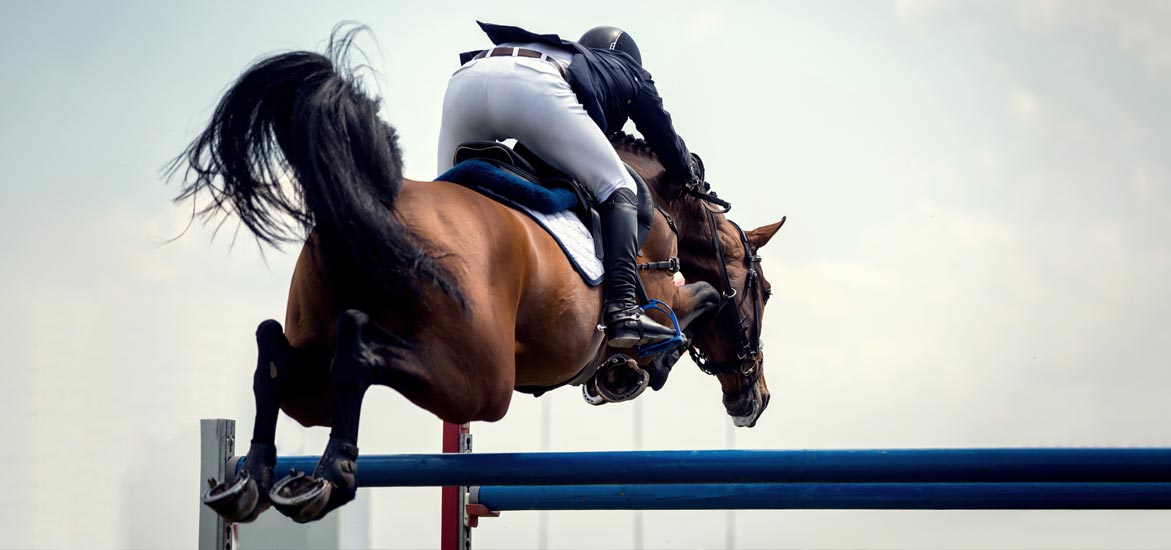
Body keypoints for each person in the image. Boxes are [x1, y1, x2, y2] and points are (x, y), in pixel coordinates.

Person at [437, 22, 701, 349]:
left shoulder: (571, 55)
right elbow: (663, 138)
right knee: (620, 187)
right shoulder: (633, 72)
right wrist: (686, 167)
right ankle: (622, 309)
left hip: (467, 78)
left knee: (443, 201)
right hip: (532, 85)